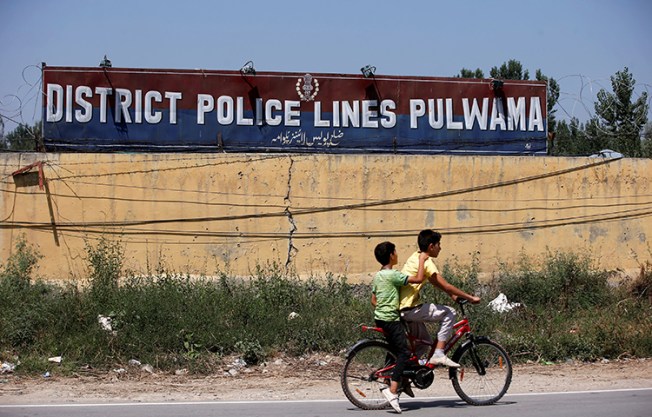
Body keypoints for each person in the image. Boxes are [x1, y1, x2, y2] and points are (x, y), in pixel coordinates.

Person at [399, 229, 481, 367]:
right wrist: (470, 297)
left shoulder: (416, 257)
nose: (440, 248)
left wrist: (452, 295)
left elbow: (435, 282)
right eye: (439, 244)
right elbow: (446, 285)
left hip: (403, 308)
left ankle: (404, 374)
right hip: (410, 308)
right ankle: (438, 353)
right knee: (450, 312)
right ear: (431, 246)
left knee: (423, 344)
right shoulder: (426, 261)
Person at [371, 241, 429, 414]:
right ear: (391, 255)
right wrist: (422, 260)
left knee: (395, 350)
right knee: (404, 352)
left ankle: (394, 381)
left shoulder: (378, 276)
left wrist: (384, 306)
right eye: (395, 251)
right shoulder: (392, 275)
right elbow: (418, 279)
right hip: (391, 319)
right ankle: (393, 390)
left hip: (380, 318)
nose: (397, 253)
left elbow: (374, 300)